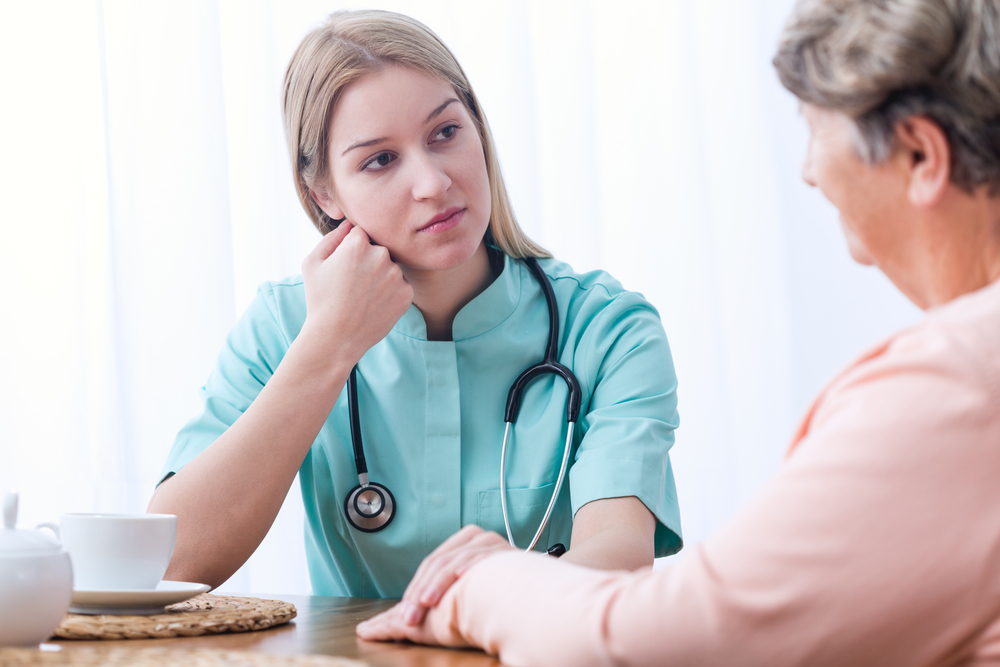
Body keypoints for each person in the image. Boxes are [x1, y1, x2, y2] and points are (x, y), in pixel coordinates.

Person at [355, 0, 1000, 664]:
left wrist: (481, 581)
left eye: (816, 129)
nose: (809, 171)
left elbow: (654, 641)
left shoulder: (960, 382)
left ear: (922, 154)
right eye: (377, 160)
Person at [147, 9, 683, 601]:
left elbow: (620, 560)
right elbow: (169, 564)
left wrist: (493, 591)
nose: (432, 183)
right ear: (323, 192)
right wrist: (328, 346)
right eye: (380, 159)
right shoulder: (284, 328)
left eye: (445, 133)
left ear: (478, 129)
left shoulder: (607, 330)